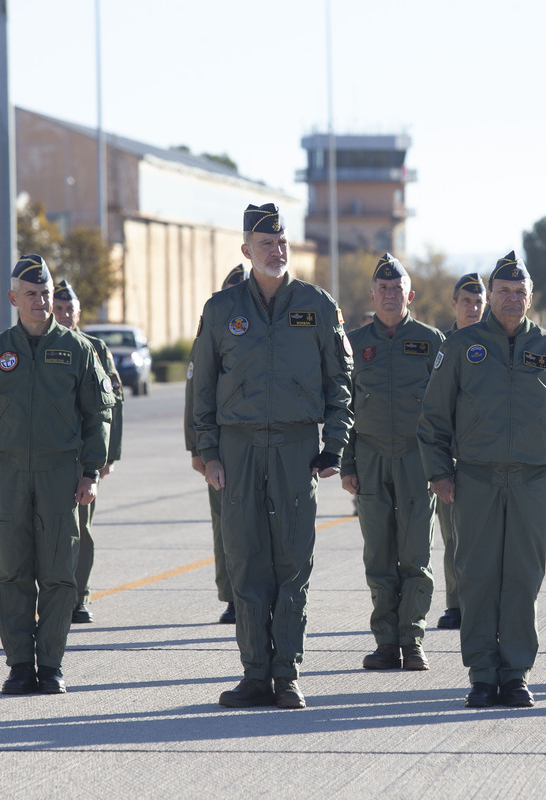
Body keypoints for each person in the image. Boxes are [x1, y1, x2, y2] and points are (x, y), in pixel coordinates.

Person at [192, 203, 353, 710]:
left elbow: (341, 382)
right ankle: (255, 673)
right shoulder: (221, 310)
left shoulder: (318, 305)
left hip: (296, 447)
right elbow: (202, 389)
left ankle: (287, 674)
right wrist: (209, 452)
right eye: (266, 244)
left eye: (281, 242)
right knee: (246, 562)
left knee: (293, 561)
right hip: (237, 451)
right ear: (246, 251)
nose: (276, 251)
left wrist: (335, 444)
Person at [418, 251, 546, 708]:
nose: (512, 299)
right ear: (490, 295)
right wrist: (439, 473)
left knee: (523, 578)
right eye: (504, 291)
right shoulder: (460, 348)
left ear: (531, 298)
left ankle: (514, 674)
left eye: (520, 292)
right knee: (476, 577)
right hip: (475, 480)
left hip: (532, 481)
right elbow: (433, 419)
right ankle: (481, 674)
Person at [0, 254, 114, 694]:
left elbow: (98, 415)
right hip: (9, 477)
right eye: (31, 294)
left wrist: (90, 472)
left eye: (46, 293)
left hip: (59, 477)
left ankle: (49, 665)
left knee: (58, 575)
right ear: (13, 298)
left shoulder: (77, 350)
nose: (40, 301)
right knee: (12, 575)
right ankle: (18, 665)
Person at [342, 253, 444, 671]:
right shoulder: (355, 342)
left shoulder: (433, 341)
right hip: (369, 457)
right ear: (372, 295)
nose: (389, 294)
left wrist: (443, 466)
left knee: (416, 554)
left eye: (396, 288)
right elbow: (342, 408)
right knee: (379, 555)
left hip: (416, 459)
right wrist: (347, 463)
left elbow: (445, 408)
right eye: (382, 288)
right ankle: (386, 642)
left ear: (409, 295)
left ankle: (413, 639)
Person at [51, 279, 124, 625]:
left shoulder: (95, 348)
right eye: (59, 308)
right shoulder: (43, 345)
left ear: (79, 313)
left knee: (82, 527)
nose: (65, 315)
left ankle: (79, 597)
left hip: (83, 453)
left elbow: (113, 405)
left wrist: (108, 456)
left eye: (70, 310)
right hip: (50, 454)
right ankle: (52, 596)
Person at [184, 264, 246, 626]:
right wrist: (197, 449)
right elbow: (196, 391)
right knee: (225, 524)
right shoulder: (210, 331)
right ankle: (234, 597)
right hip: (219, 447)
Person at [434, 272, 486, 631]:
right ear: (454, 305)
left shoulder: (497, 344)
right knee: (453, 537)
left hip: (487, 456)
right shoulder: (442, 346)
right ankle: (456, 604)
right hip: (452, 458)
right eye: (466, 301)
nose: (473, 307)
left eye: (478, 301)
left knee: (488, 538)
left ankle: (483, 602)